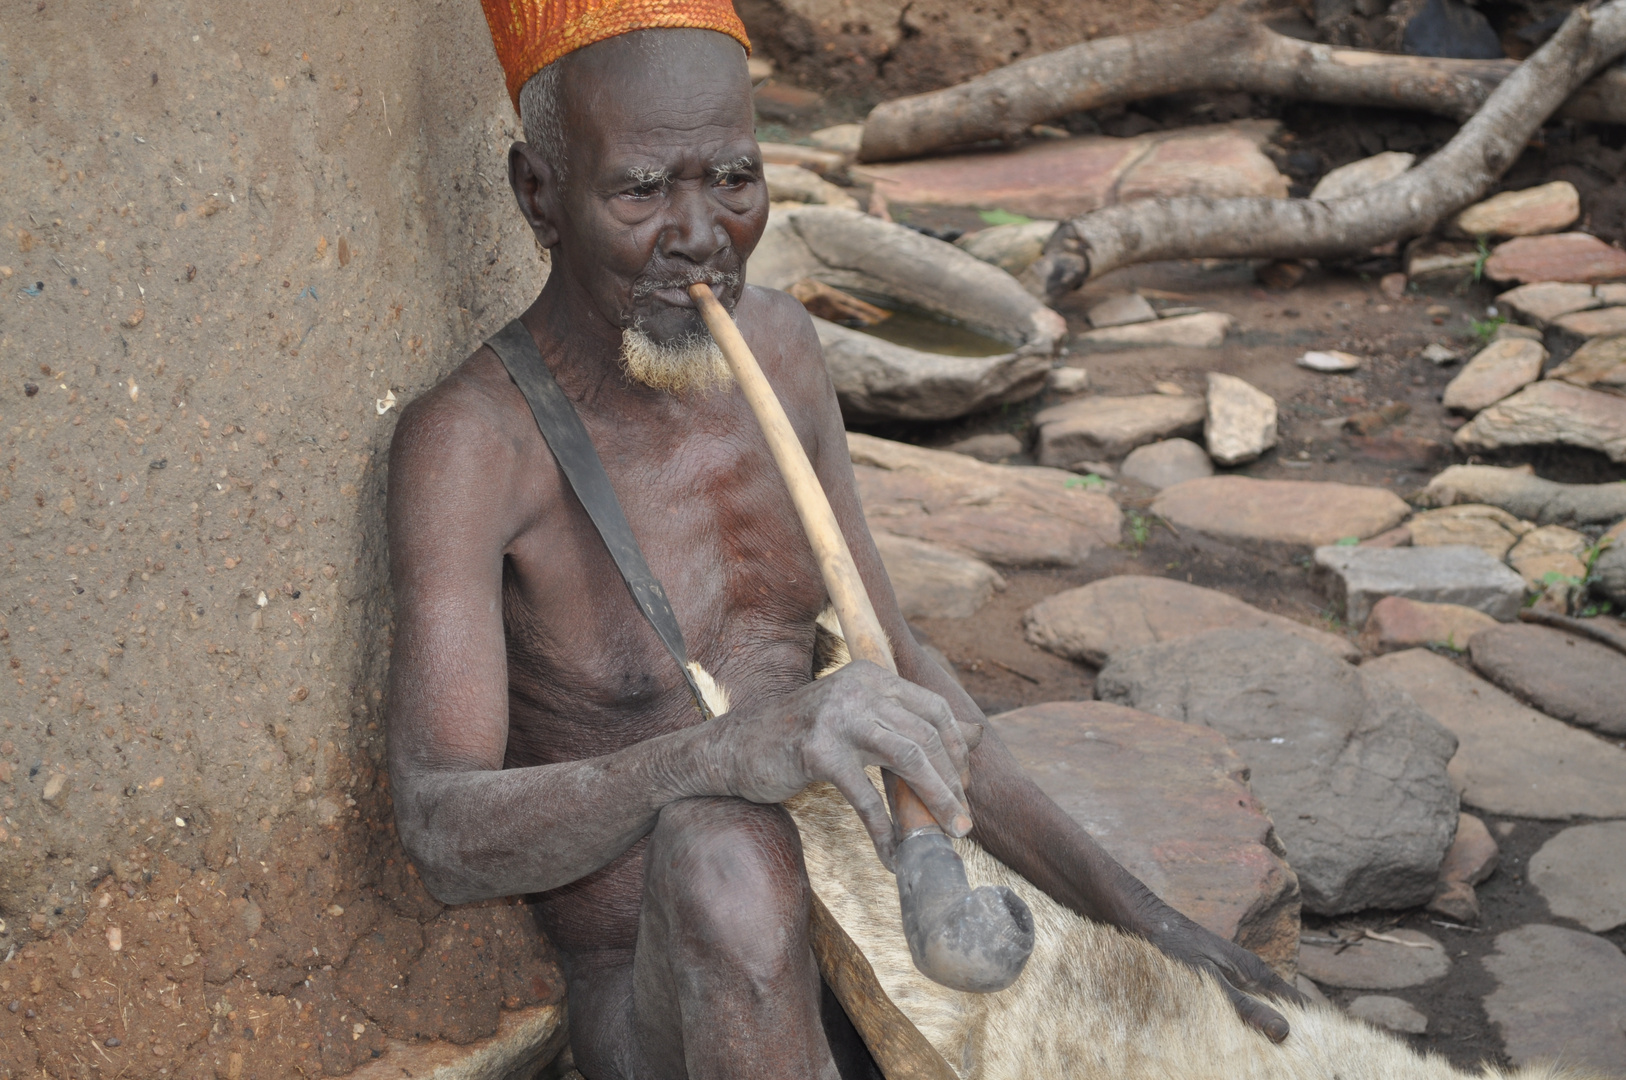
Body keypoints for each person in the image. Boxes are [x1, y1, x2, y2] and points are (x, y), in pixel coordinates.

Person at [383, 3, 1300, 1075]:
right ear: (538, 194)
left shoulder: (781, 348)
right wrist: (722, 756)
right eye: (641, 190)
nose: (699, 235)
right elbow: (442, 828)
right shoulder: (476, 443)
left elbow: (902, 668)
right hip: (672, 998)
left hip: (870, 946)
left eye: (734, 179)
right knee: (724, 848)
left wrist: (1148, 921)